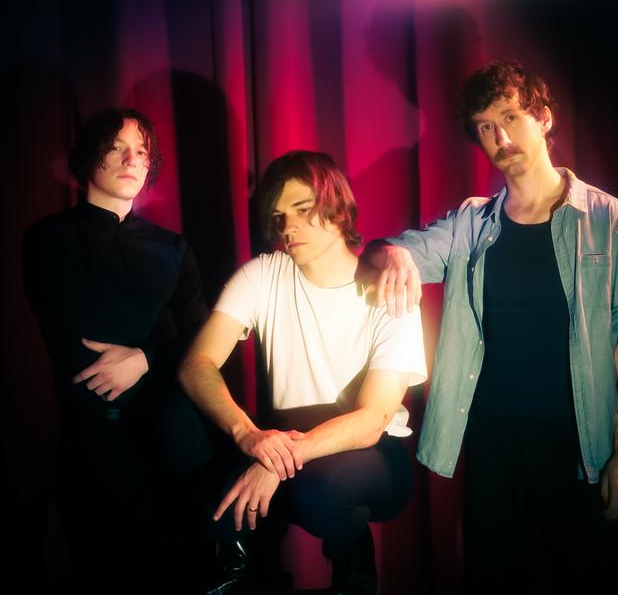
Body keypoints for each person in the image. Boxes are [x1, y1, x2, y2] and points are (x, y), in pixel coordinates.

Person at [363, 60, 618, 593]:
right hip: (491, 441)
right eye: (486, 126)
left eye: (511, 117)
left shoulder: (609, 218)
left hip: (578, 444)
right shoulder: (471, 222)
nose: (501, 137)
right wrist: (393, 254)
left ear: (544, 118)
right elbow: (386, 251)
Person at [175, 150, 427, 595]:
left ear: (338, 209)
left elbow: (372, 420)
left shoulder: (390, 289)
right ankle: (236, 566)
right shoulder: (262, 275)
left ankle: (353, 570)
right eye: (279, 216)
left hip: (370, 449)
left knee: (320, 492)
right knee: (201, 468)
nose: (287, 227)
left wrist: (277, 464)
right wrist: (248, 436)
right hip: (282, 436)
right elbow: (197, 365)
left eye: (302, 209)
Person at [22, 108, 208, 593]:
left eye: (141, 151)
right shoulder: (48, 239)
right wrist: (156, 350)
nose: (131, 160)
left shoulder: (173, 248)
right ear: (90, 155)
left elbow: (204, 341)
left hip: (175, 443)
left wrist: (145, 358)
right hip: (95, 443)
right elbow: (76, 340)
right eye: (117, 147)